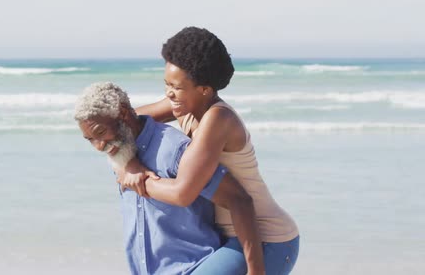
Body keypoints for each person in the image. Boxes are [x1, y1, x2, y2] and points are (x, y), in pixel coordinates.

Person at [119, 27, 300, 275]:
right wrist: (130, 164)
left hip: (266, 239)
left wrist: (134, 181)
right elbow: (125, 124)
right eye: (166, 84)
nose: (169, 93)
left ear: (204, 89)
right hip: (226, 237)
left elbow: (183, 193)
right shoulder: (185, 105)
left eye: (177, 86)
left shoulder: (218, 118)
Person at [74, 81, 265, 275]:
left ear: (123, 113)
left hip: (195, 267)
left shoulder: (174, 149)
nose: (99, 146)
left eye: (100, 132)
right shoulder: (119, 152)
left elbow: (238, 199)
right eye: (90, 139)